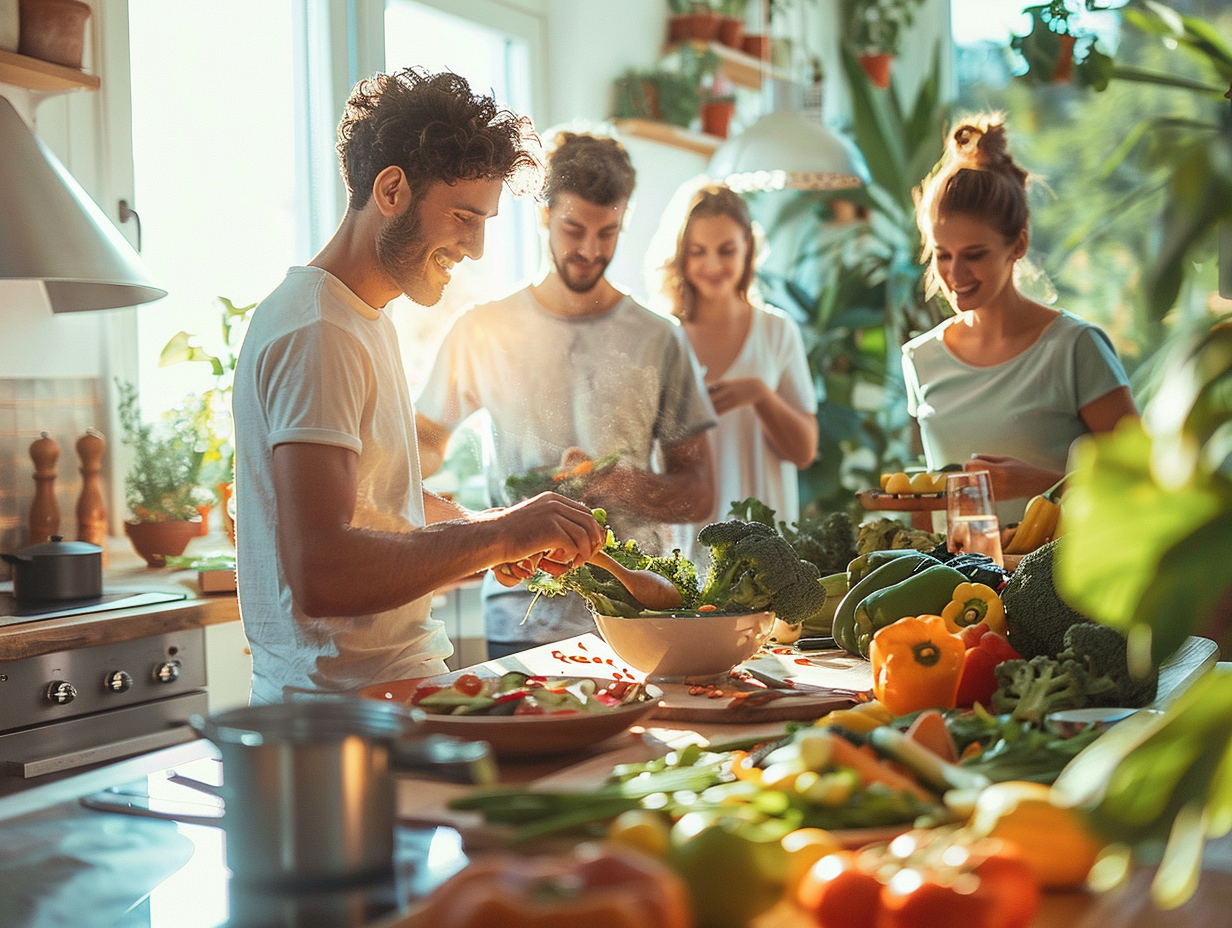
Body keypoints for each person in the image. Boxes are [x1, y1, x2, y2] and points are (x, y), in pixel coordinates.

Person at [231, 69, 606, 704]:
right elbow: (323, 572)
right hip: (346, 716)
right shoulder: (319, 331)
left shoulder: (357, 316)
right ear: (392, 189)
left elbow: (378, 501)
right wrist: (499, 536)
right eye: (464, 216)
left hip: (391, 692)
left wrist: (489, 530)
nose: (478, 248)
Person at [415, 131, 717, 659]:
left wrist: (618, 484)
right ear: (543, 214)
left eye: (609, 232)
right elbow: (419, 445)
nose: (590, 250)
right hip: (520, 612)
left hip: (638, 611)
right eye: (574, 228)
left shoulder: (658, 338)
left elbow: (700, 490)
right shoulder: (484, 331)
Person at [903, 114, 1137, 523]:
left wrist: (1040, 484)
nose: (954, 275)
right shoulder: (919, 359)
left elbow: (1143, 480)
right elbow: (928, 503)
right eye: (943, 254)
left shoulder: (1075, 347)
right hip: (953, 584)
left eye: (974, 255)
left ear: (1019, 244)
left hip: (1057, 580)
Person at [655, 181, 817, 543]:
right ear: (681, 255)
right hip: (689, 545)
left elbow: (804, 451)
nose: (712, 265)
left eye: (726, 250)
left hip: (769, 545)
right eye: (698, 251)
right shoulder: (665, 340)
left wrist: (760, 395)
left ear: (748, 249)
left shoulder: (777, 331)